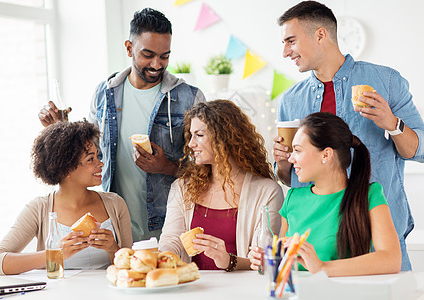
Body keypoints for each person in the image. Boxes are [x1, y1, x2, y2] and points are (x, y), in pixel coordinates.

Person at [273, 0, 424, 271]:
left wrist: (391, 123)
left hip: (380, 240)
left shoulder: (386, 81)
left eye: (291, 41)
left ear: (321, 35)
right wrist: (283, 162)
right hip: (317, 246)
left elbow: (419, 150)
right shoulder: (290, 101)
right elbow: (293, 178)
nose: (285, 52)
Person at [38, 8, 206, 242]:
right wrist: (59, 128)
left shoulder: (190, 98)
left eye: (165, 56)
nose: (157, 64)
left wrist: (166, 166)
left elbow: (210, 167)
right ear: (129, 48)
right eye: (148, 55)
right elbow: (89, 150)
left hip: (172, 228)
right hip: (116, 227)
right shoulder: (105, 93)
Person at [250, 112, 401, 276]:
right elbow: (289, 264)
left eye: (298, 150)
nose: (291, 159)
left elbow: (391, 259)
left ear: (326, 154)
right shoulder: (292, 199)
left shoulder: (369, 196)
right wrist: (271, 260)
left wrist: (322, 268)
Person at [0, 121, 132, 275]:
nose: (101, 163)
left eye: (98, 156)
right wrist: (56, 254)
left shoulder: (115, 204)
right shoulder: (38, 208)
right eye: (91, 159)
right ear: (66, 168)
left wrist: (113, 250)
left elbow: (132, 268)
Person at [159, 100, 284, 271]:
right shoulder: (182, 187)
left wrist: (228, 261)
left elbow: (261, 259)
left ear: (224, 137)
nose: (190, 144)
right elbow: (171, 240)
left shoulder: (267, 191)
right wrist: (161, 257)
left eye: (199, 135)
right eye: (191, 135)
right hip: (192, 289)